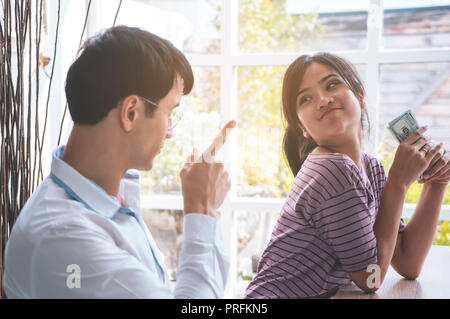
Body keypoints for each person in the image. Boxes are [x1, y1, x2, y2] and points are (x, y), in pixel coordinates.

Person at [3, 26, 235, 298]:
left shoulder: (108, 202)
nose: (171, 131)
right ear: (131, 112)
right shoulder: (64, 237)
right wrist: (202, 209)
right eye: (169, 113)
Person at [245, 52, 450, 299]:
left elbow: (408, 263)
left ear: (360, 95)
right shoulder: (333, 171)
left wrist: (437, 183)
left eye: (332, 84)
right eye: (306, 99)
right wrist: (398, 183)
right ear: (302, 128)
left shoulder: (370, 167)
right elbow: (370, 279)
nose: (322, 100)